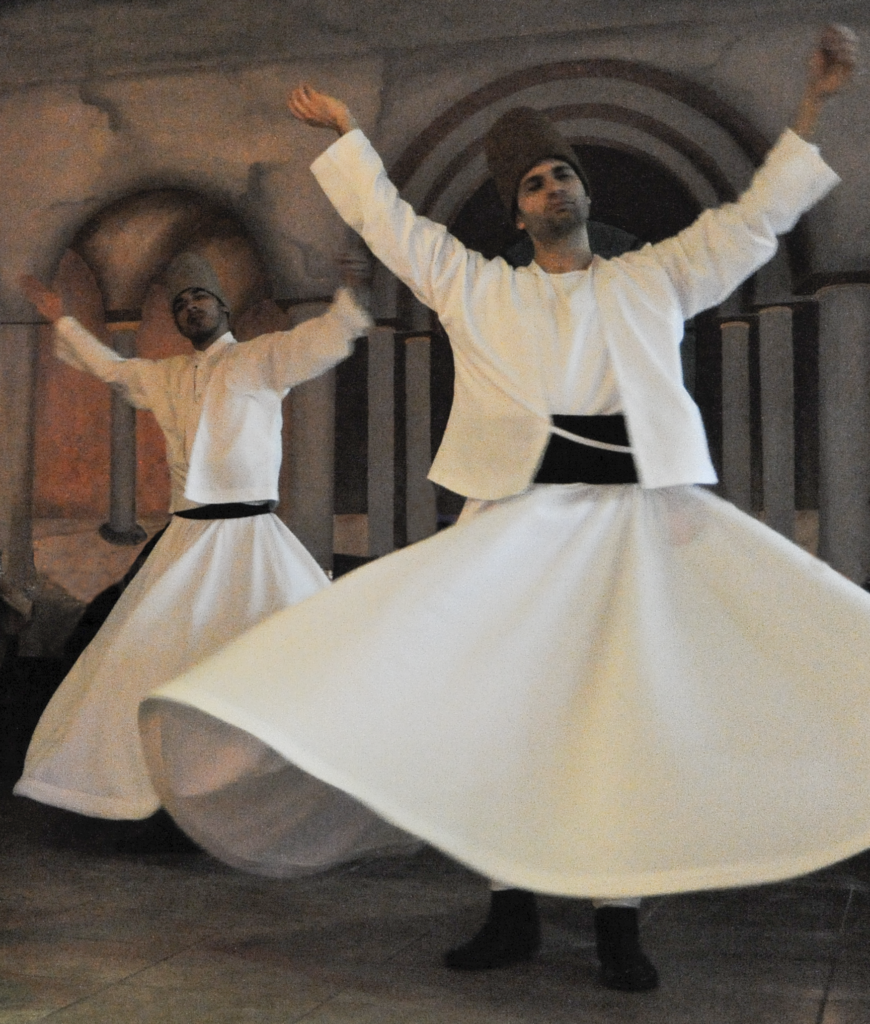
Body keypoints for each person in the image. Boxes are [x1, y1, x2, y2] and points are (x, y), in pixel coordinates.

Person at [141, 26, 870, 991]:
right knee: (509, 716)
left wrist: (815, 104)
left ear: (584, 191)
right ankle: (510, 911)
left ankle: (620, 921)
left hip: (632, 529)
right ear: (516, 212)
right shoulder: (478, 289)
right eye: (532, 182)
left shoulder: (653, 277)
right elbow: (399, 230)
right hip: (518, 529)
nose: (553, 188)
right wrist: (350, 139)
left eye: (563, 173)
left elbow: (753, 223)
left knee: (622, 720)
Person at [14, 252, 416, 866]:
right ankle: (160, 805)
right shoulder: (167, 375)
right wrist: (62, 321)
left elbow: (324, 340)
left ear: (224, 307)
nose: (191, 307)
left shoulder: (258, 358)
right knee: (149, 669)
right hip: (187, 542)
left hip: (254, 540)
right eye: (180, 303)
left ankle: (269, 808)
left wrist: (350, 299)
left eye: (200, 297)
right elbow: (113, 369)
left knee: (288, 668)